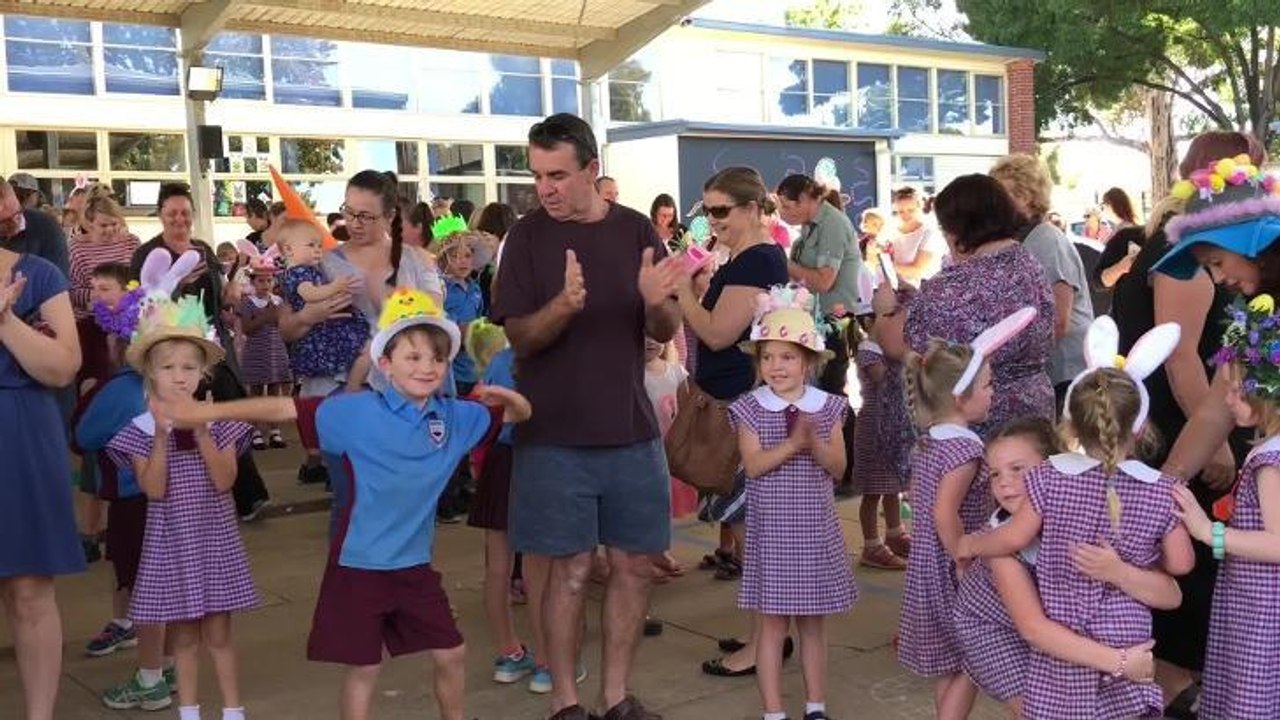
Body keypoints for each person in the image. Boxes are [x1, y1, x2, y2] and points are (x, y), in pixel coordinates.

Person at [152, 288, 532, 720]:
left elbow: (517, 416)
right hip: (359, 565)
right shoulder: (356, 412)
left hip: (414, 567)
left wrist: (508, 397)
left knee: (451, 652)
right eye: (412, 357)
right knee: (365, 668)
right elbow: (282, 408)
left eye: (436, 359)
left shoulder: (455, 417)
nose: (426, 367)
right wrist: (200, 415)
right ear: (384, 365)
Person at [491, 112, 681, 720]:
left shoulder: (636, 234)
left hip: (631, 430)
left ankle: (617, 696)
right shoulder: (524, 238)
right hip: (552, 437)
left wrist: (657, 304)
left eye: (557, 175)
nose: (544, 188)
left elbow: (664, 328)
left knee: (634, 567)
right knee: (568, 572)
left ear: (593, 171)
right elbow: (519, 337)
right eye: (536, 175)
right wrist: (563, 307)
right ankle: (567, 704)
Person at [956, 316, 1195, 720]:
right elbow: (1182, 565)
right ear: (1140, 428)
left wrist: (969, 543)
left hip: (1066, 634)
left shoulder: (1049, 479)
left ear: (1069, 427)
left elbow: (1015, 537)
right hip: (1125, 634)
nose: (1007, 481)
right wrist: (1126, 567)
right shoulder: (1161, 489)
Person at [1139, 136, 1273, 714]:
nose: (1216, 280)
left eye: (1217, 262)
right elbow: (1217, 406)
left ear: (1253, 242)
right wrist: (1167, 482)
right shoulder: (1253, 316)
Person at [103, 248, 259, 720]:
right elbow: (153, 488)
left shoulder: (221, 422)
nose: (179, 376)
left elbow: (224, 479)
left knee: (219, 635)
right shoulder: (138, 432)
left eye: (189, 367)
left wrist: (202, 426)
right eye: (168, 368)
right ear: (150, 373)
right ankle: (187, 710)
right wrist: (163, 435)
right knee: (185, 636)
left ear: (203, 373)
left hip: (213, 540)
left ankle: (233, 709)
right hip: (171, 542)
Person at [954, 418, 1168, 715]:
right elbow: (1033, 629)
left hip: (1046, 622)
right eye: (994, 474)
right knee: (1034, 710)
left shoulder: (1082, 512)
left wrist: (1119, 572)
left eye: (1017, 469)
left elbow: (1170, 592)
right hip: (990, 626)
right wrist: (1120, 662)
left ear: (1054, 470)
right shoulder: (1001, 543)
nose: (1003, 483)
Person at [672, 167, 789, 677]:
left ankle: (764, 644)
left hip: (741, 407)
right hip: (735, 402)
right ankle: (763, 636)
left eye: (721, 210)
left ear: (750, 208)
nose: (712, 220)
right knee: (747, 532)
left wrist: (683, 294)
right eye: (707, 210)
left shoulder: (757, 258)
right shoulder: (746, 258)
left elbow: (719, 334)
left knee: (753, 536)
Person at [897, 309, 1035, 720]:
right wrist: (963, 554)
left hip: (927, 560)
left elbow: (920, 498)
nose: (994, 393)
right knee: (971, 658)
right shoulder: (967, 450)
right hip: (952, 566)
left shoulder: (932, 440)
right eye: (988, 386)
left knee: (951, 664)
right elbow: (944, 512)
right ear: (961, 397)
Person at [728, 285, 856, 720]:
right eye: (767, 357)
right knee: (772, 625)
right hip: (773, 535)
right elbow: (755, 466)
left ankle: (815, 706)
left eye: (786, 357)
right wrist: (795, 442)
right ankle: (772, 710)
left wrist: (813, 444)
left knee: (813, 626)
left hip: (814, 533)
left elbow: (839, 468)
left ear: (808, 361)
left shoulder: (828, 407)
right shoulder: (750, 407)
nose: (776, 366)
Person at [277, 170, 442, 492]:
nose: (354, 223)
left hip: (400, 390)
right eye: (349, 212)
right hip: (337, 391)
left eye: (366, 216)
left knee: (401, 491)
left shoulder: (416, 260)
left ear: (390, 216)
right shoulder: (320, 262)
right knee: (348, 493)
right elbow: (286, 329)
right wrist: (310, 314)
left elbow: (434, 316)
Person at [129, 182, 271, 521]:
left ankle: (244, 494)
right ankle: (227, 496)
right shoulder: (147, 254)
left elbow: (218, 297)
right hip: (172, 350)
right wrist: (175, 284)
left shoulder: (204, 249)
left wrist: (231, 293)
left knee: (228, 413)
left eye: (185, 213)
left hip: (212, 344)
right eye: (172, 213)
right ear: (161, 216)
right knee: (195, 420)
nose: (180, 219)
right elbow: (139, 302)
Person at [875, 174, 1055, 436]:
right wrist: (916, 298)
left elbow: (900, 346)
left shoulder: (954, 285)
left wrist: (884, 312)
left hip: (971, 423)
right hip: (1032, 417)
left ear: (958, 228)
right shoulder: (1029, 264)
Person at [1172, 294, 1280, 719]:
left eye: (1236, 391)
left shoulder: (1271, 462)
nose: (1228, 400)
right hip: (1251, 597)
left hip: (1263, 610)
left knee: (1252, 699)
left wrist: (1206, 531)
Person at [0, 230, 83, 720]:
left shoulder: (39, 274)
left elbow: (62, 367)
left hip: (22, 434)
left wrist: (6, 321)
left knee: (30, 588)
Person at [464, 320, 547, 691]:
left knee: (498, 568)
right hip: (541, 459)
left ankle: (509, 653)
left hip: (501, 460)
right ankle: (548, 662)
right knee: (538, 570)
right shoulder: (554, 358)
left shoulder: (499, 360)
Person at [991, 154, 1093, 409]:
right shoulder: (1025, 240)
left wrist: (1020, 370)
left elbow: (1058, 319)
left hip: (1065, 372)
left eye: (1000, 194)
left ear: (1026, 196)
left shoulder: (1046, 240)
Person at [851, 279, 914, 570]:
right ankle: (871, 544)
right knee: (872, 490)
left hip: (895, 425)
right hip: (874, 428)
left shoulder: (891, 351)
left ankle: (894, 532)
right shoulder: (869, 351)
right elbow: (884, 380)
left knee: (892, 485)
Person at [235, 242, 292, 450]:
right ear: (253, 281)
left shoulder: (278, 301)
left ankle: (275, 430)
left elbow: (284, 325)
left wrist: (277, 316)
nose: (265, 284)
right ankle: (256, 430)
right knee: (257, 392)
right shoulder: (247, 303)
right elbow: (248, 328)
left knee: (275, 390)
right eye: (260, 280)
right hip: (256, 351)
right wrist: (266, 316)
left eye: (268, 280)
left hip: (275, 351)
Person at [68, 190, 139, 319]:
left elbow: (141, 279)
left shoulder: (132, 242)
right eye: (103, 225)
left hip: (129, 315)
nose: (110, 229)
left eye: (114, 224)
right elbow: (72, 291)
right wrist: (103, 295)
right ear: (90, 224)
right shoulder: (77, 248)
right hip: (91, 318)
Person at [1, 175, 69, 278]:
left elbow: (59, 280)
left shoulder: (46, 226)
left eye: (17, 214)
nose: (15, 223)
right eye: (5, 221)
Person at [878, 187, 942, 282]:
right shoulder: (889, 229)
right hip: (893, 287)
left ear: (920, 207)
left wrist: (884, 266)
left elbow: (918, 270)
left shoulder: (929, 232)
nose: (905, 215)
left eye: (911, 210)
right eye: (900, 211)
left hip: (921, 290)